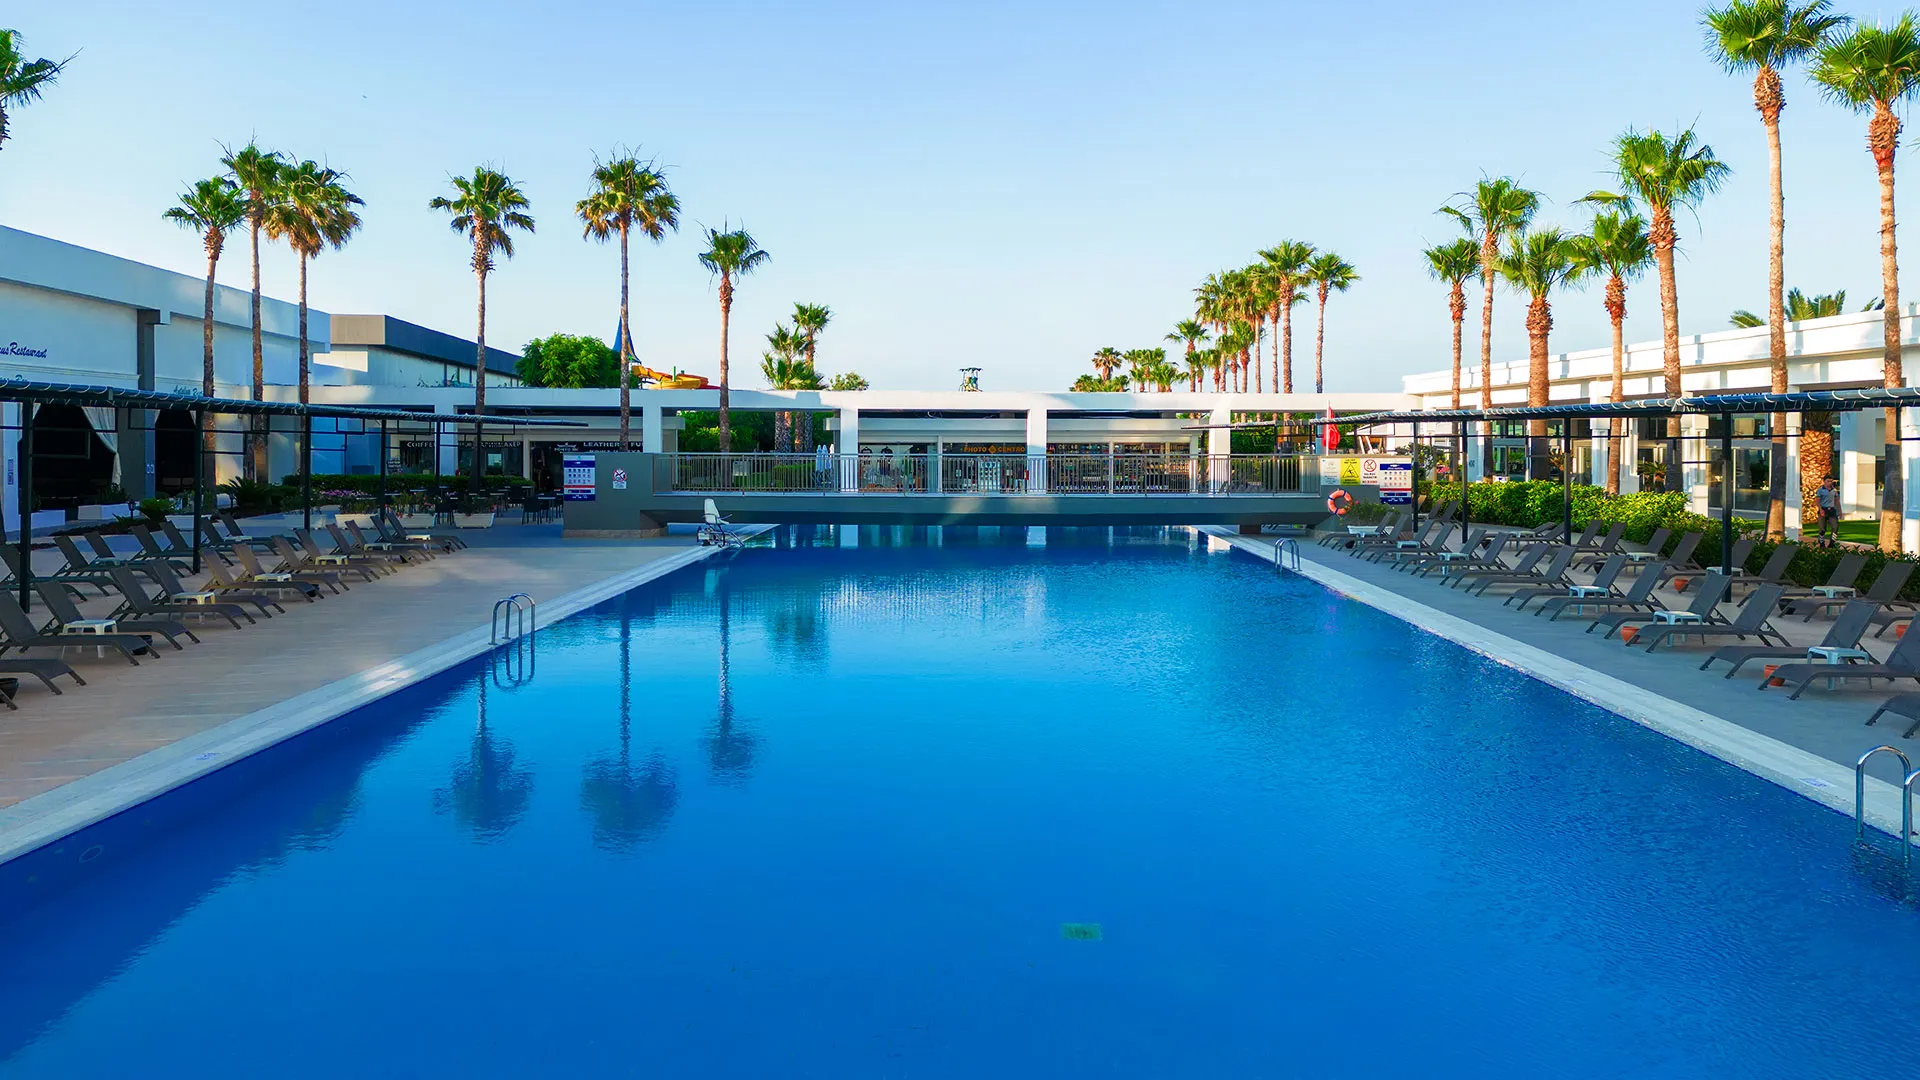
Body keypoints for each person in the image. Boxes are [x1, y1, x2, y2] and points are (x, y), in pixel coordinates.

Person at [1815, 476, 1839, 547]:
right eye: (1828, 481)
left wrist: (1839, 511)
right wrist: (1820, 509)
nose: (1830, 483)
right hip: (1823, 510)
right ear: (1824, 481)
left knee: (1835, 527)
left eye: (1831, 481)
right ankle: (1821, 542)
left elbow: (1837, 501)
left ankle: (1832, 543)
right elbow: (1817, 501)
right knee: (1822, 529)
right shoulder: (1820, 490)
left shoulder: (1834, 490)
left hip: (1831, 510)